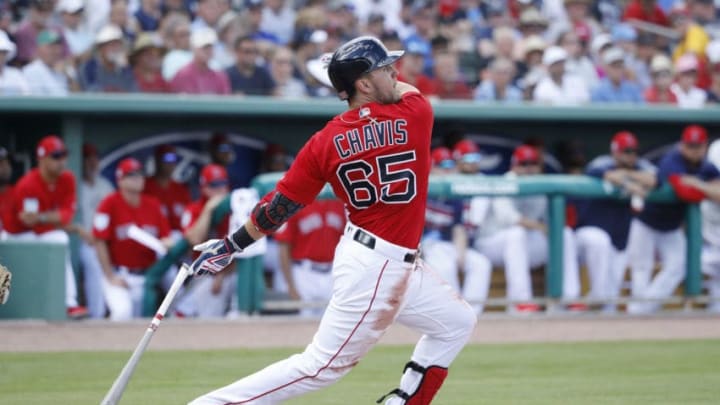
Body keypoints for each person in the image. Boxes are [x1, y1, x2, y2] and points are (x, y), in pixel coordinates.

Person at [187, 35, 476, 405]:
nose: (394, 73)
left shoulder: (324, 141)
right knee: (319, 367)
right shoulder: (416, 112)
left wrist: (231, 244)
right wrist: (340, 73)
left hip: (382, 257)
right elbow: (405, 89)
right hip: (377, 267)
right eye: (385, 69)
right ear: (365, 84)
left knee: (455, 323)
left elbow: (277, 208)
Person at [470, 145, 582, 313]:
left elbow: (550, 218)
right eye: (523, 164)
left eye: (533, 163)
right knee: (517, 234)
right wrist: (540, 227)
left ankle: (569, 298)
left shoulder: (541, 184)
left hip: (523, 245)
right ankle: (520, 301)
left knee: (563, 234)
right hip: (492, 244)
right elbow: (508, 218)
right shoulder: (505, 182)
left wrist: (548, 229)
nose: (529, 168)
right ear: (514, 166)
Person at [627, 125, 720, 314]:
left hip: (671, 226)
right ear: (682, 145)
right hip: (647, 221)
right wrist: (705, 188)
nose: (693, 150)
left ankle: (644, 309)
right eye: (690, 145)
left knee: (679, 265)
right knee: (641, 268)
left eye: (698, 146)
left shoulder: (706, 166)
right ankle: (638, 313)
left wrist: (696, 183)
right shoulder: (672, 160)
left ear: (704, 147)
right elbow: (684, 192)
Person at [1, 135, 87, 318]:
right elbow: (28, 222)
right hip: (14, 235)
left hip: (38, 232)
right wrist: (53, 221)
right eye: (56, 156)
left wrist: (43, 217)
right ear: (42, 159)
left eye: (63, 155)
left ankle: (70, 303)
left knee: (60, 239)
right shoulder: (28, 184)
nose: (61, 161)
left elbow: (65, 215)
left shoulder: (67, 179)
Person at [574, 131, 657, 312]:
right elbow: (608, 175)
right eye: (626, 151)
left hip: (619, 237)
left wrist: (630, 177)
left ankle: (599, 325)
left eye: (634, 151)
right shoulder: (601, 163)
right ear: (615, 152)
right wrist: (631, 184)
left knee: (611, 295)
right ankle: (592, 299)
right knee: (599, 242)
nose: (631, 155)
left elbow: (654, 179)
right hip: (587, 234)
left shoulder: (641, 166)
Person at [93, 157, 172, 320]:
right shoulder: (108, 203)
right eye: (132, 174)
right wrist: (110, 276)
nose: (138, 178)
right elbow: (99, 241)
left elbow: (167, 238)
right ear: (120, 180)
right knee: (122, 313)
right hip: (120, 274)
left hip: (148, 274)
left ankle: (183, 312)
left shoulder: (153, 204)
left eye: (140, 174)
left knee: (171, 274)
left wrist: (167, 244)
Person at [422, 144, 492, 315]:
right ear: (432, 166)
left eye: (450, 165)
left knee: (480, 264)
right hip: (426, 245)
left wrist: (461, 253)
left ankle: (472, 314)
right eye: (443, 166)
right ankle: (453, 314)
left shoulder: (454, 194)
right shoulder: (421, 187)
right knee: (445, 265)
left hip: (448, 245)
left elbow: (458, 227)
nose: (448, 170)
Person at [274, 197, 346, 317]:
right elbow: (283, 248)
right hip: (304, 273)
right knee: (302, 323)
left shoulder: (339, 203)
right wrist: (290, 286)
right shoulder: (295, 203)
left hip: (332, 272)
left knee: (331, 322)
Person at [179, 164, 234, 318]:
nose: (220, 189)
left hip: (231, 272)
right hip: (205, 275)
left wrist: (222, 275)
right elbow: (194, 239)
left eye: (223, 184)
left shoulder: (235, 207)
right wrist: (208, 210)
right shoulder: (193, 209)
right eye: (214, 186)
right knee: (208, 319)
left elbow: (245, 248)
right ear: (204, 188)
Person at [76, 143, 115, 319]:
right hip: (83, 242)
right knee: (94, 263)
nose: (91, 163)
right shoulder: (77, 186)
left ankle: (110, 310)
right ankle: (96, 315)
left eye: (94, 159)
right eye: (87, 159)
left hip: (105, 241)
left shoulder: (105, 186)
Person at [143, 144, 192, 236]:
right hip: (154, 238)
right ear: (157, 160)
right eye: (167, 158)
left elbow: (189, 218)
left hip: (180, 240)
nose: (170, 163)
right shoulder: (145, 186)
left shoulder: (181, 189)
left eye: (174, 159)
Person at [169, 27, 230, 95]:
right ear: (194, 49)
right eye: (204, 48)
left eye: (210, 47)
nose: (208, 51)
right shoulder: (183, 75)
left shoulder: (219, 76)